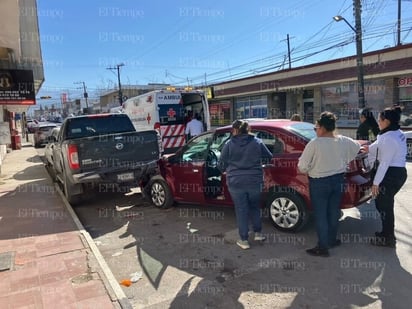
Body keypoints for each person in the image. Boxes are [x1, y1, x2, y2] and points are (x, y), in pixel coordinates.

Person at [298, 111, 360, 257]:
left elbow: (302, 166)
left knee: (321, 215)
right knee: (333, 212)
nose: (315, 130)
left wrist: (309, 168)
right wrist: (345, 160)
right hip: (338, 180)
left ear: (322, 128)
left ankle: (323, 246)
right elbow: (357, 147)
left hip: (319, 182)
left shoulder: (314, 144)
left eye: (316, 128)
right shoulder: (343, 140)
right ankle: (331, 240)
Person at [218, 120, 273, 250]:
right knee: (255, 206)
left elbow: (221, 164)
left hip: (236, 182)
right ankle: (258, 233)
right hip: (255, 181)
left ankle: (244, 240)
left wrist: (225, 170)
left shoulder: (228, 144)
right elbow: (269, 157)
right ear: (248, 130)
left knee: (241, 209)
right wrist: (259, 164)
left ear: (235, 130)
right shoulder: (257, 142)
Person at [365, 106, 407, 247]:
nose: (378, 121)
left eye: (380, 119)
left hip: (391, 174)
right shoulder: (396, 132)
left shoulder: (389, 138)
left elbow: (384, 163)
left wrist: (376, 183)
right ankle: (387, 234)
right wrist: (368, 147)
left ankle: (387, 238)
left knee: (383, 206)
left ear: (387, 121)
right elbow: (379, 144)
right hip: (398, 173)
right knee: (386, 205)